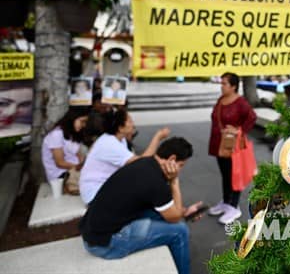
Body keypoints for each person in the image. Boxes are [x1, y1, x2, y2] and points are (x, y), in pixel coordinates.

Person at [79, 137, 203, 274]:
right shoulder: (156, 182)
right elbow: (173, 218)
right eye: (181, 165)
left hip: (92, 233)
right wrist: (174, 182)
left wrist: (183, 212)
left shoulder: (145, 163)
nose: (180, 170)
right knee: (180, 231)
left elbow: (169, 211)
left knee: (160, 214)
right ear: (172, 159)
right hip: (106, 244)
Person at [79, 108, 170, 204]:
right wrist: (158, 137)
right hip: (95, 194)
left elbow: (133, 165)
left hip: (107, 188)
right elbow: (142, 162)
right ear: (120, 128)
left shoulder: (119, 140)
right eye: (129, 121)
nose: (133, 123)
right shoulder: (110, 144)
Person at [208, 72, 257, 224]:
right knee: (225, 174)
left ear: (234, 86)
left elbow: (252, 117)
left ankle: (234, 206)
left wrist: (239, 130)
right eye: (221, 83)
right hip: (220, 144)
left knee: (234, 175)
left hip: (233, 146)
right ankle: (226, 201)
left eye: (224, 83)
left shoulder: (240, 102)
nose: (221, 86)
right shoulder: (221, 100)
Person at [41, 108, 89, 189]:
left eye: (85, 122)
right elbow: (60, 163)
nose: (83, 125)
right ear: (72, 118)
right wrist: (79, 167)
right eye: (82, 121)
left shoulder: (72, 134)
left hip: (74, 170)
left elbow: (79, 155)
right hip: (60, 175)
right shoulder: (56, 134)